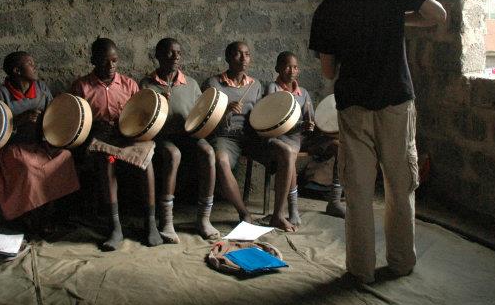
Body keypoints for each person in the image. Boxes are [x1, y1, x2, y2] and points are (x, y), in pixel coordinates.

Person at [309, 0, 446, 283]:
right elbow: (437, 15)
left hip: (354, 106)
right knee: (400, 186)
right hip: (396, 102)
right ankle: (401, 262)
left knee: (357, 192)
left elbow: (328, 71)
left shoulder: (326, 8)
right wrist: (398, 20)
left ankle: (361, 269)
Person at [71, 38, 161, 251]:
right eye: (104, 61)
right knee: (107, 161)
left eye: (114, 61)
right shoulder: (82, 86)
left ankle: (151, 223)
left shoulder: (129, 84)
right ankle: (115, 226)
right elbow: (76, 119)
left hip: (128, 137)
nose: (110, 66)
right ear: (93, 60)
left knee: (146, 161)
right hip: (101, 139)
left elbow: (140, 115)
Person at [140, 38, 220, 241]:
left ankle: (203, 219)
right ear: (157, 56)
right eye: (169, 53)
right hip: (162, 137)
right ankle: (166, 221)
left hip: (188, 135)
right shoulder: (147, 84)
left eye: (178, 53)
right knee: (173, 154)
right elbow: (142, 117)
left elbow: (200, 113)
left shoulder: (190, 83)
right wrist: (161, 105)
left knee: (209, 152)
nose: (175, 57)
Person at [0, 52, 80, 231]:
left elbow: (53, 115)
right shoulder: (1, 93)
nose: (35, 66)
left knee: (65, 156)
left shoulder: (41, 89)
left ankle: (50, 214)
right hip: (13, 148)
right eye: (30, 64)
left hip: (39, 145)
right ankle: (31, 217)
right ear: (16, 70)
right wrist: (19, 120)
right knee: (28, 168)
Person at [262, 51, 346, 230]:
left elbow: (312, 120)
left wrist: (312, 125)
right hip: (283, 137)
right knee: (289, 154)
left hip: (303, 137)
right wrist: (300, 126)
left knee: (339, 147)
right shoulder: (273, 89)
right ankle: (293, 209)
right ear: (277, 68)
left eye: (295, 67)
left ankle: (334, 200)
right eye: (287, 66)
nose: (291, 70)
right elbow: (274, 119)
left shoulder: (304, 93)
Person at [202, 41, 265, 225]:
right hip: (225, 135)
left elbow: (261, 114)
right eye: (238, 54)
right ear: (228, 58)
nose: (243, 58)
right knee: (221, 161)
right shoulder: (213, 83)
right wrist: (225, 110)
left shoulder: (256, 85)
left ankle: (281, 214)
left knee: (284, 150)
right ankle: (244, 212)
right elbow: (205, 117)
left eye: (247, 54)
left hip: (251, 136)